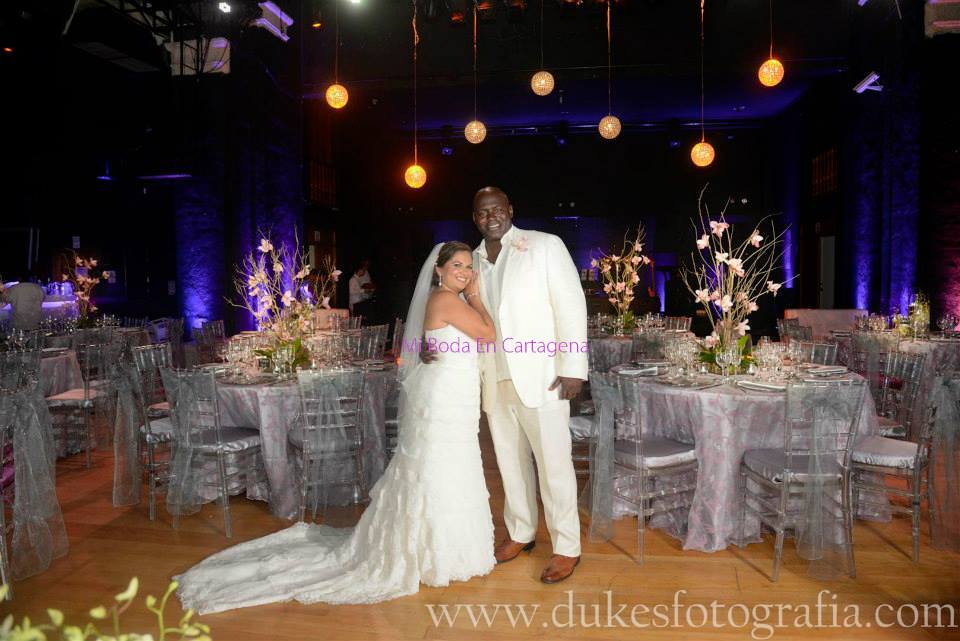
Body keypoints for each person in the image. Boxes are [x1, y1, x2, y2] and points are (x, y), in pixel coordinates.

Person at [175, 241, 498, 614]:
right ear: (438, 270)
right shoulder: (447, 299)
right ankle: (434, 551)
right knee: (443, 465)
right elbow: (489, 334)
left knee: (447, 465)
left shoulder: (444, 300)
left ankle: (441, 546)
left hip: (452, 392)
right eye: (457, 265)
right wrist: (477, 296)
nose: (464, 272)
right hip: (447, 397)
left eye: (468, 266)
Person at [430, 186, 588, 584]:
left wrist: (573, 367)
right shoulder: (471, 262)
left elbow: (571, 306)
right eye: (483, 213)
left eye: (497, 209)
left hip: (543, 376)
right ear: (475, 219)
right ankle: (521, 532)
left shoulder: (544, 246)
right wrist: (433, 346)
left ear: (510, 210)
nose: (491, 217)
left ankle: (567, 546)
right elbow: (455, 314)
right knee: (509, 464)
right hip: (493, 376)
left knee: (554, 465)